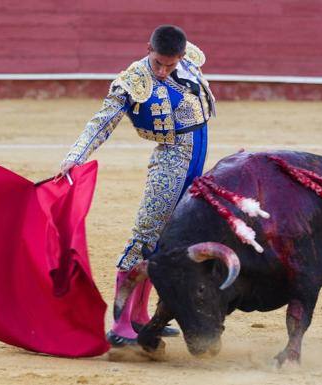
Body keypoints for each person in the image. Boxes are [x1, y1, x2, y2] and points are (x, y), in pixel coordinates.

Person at [56, 25, 215, 347]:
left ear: (182, 56)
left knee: (169, 239)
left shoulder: (188, 62)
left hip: (197, 157)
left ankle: (142, 316)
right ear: (148, 49)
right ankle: (122, 323)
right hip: (171, 161)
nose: (162, 70)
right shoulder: (132, 82)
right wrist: (75, 156)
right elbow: (102, 121)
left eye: (170, 64)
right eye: (158, 63)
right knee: (146, 236)